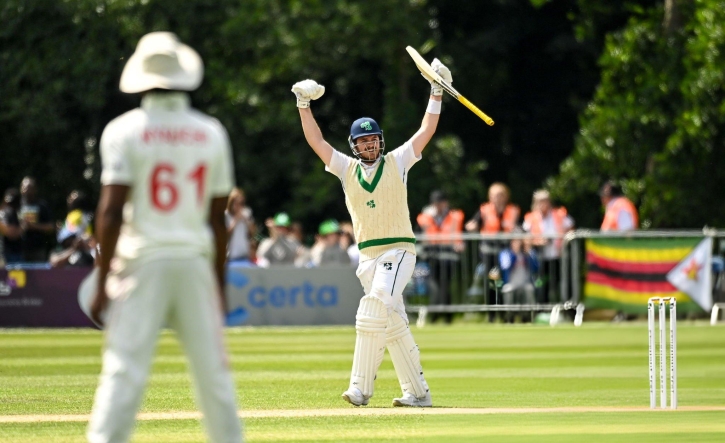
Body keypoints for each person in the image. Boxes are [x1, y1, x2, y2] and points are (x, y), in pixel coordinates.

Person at [86, 32, 242, 443]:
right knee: (214, 376)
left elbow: (111, 211)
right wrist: (220, 285)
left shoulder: (124, 130)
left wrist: (102, 284)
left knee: (123, 371)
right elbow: (217, 219)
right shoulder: (211, 132)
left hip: (142, 263)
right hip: (193, 263)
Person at [292, 57, 451, 408]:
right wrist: (303, 105)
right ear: (354, 145)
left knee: (373, 307)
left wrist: (436, 91)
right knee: (392, 324)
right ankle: (418, 393)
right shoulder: (346, 169)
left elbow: (426, 131)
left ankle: (360, 389)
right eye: (362, 142)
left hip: (398, 251)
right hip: (367, 257)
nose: (369, 146)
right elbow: (316, 141)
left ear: (380, 141)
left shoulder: (397, 161)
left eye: (373, 140)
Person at [464, 182, 520, 311]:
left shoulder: (513, 211)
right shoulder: (484, 210)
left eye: (501, 195)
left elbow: (518, 227)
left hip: (506, 253)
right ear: (490, 197)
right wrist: (471, 227)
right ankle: (492, 311)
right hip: (489, 253)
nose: (498, 198)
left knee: (506, 282)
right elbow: (473, 224)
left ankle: (505, 311)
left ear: (506, 196)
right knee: (492, 282)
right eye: (495, 195)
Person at [416, 190, 464, 322]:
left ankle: (440, 315)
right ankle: (441, 314)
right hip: (431, 256)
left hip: (449, 255)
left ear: (446, 203)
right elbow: (419, 234)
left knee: (444, 285)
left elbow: (459, 233)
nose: (438, 206)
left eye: (440, 203)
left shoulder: (454, 216)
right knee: (436, 285)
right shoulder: (425, 217)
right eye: (436, 203)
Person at [522, 189, 574, 302]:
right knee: (541, 284)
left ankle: (567, 308)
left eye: (545, 200)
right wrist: (538, 242)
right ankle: (542, 310)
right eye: (540, 201)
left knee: (563, 282)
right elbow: (525, 238)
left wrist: (565, 241)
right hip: (540, 257)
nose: (543, 204)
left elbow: (571, 230)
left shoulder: (559, 214)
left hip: (558, 255)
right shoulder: (530, 218)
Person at [498, 233, 539, 321]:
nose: (517, 244)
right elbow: (505, 267)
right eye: (515, 241)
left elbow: (535, 268)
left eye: (519, 241)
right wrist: (514, 254)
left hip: (525, 283)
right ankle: (509, 317)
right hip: (510, 283)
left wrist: (528, 255)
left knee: (529, 290)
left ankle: (527, 317)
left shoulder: (527, 253)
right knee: (507, 290)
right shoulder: (506, 253)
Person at [18, 177, 55, 262]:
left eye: (30, 187)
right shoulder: (16, 205)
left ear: (35, 189)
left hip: (38, 249)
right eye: (25, 187)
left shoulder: (42, 206)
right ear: (21, 189)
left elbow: (50, 227)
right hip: (19, 249)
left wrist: (33, 226)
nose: (28, 190)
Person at [225, 187, 255, 263]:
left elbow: (252, 233)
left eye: (241, 203)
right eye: (236, 203)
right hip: (230, 256)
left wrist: (246, 221)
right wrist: (235, 220)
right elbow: (225, 235)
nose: (239, 206)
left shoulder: (247, 213)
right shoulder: (226, 215)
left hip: (244, 255)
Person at [0, 188, 23, 264]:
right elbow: (12, 234)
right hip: (9, 253)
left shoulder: (13, 212)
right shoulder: (8, 213)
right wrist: (24, 226)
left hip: (14, 251)